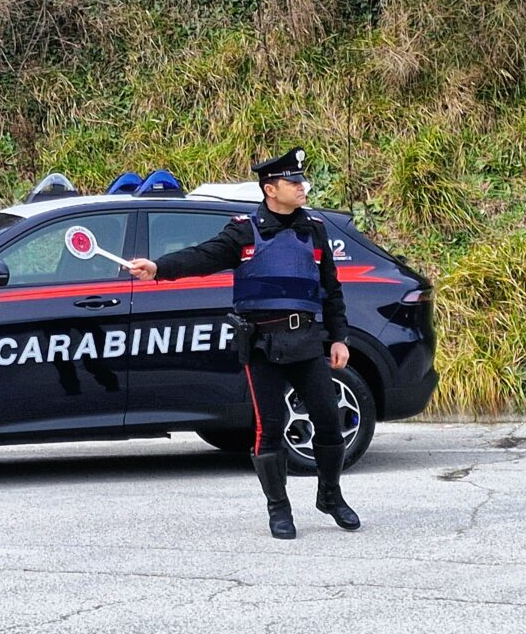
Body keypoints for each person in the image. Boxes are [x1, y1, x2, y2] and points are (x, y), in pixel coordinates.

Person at [128, 148, 360, 539]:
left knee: (330, 424)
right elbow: (202, 256)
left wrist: (339, 337)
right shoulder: (243, 230)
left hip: (307, 341)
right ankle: (279, 509)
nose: (302, 187)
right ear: (271, 189)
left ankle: (330, 496)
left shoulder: (315, 229)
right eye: (294, 182)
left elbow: (331, 289)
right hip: (262, 345)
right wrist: (159, 268)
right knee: (269, 428)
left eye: (302, 181)